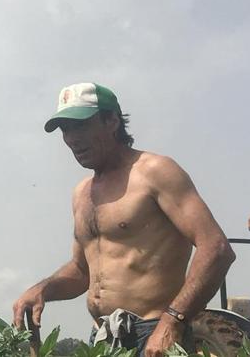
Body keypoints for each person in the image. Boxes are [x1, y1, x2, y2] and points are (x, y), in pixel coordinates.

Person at [12, 83, 235, 357]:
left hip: (154, 336)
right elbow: (82, 272)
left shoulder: (154, 172)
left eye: (80, 126)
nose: (72, 138)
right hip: (104, 339)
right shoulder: (82, 193)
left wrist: (172, 322)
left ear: (112, 121)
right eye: (65, 129)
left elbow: (216, 248)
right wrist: (42, 289)